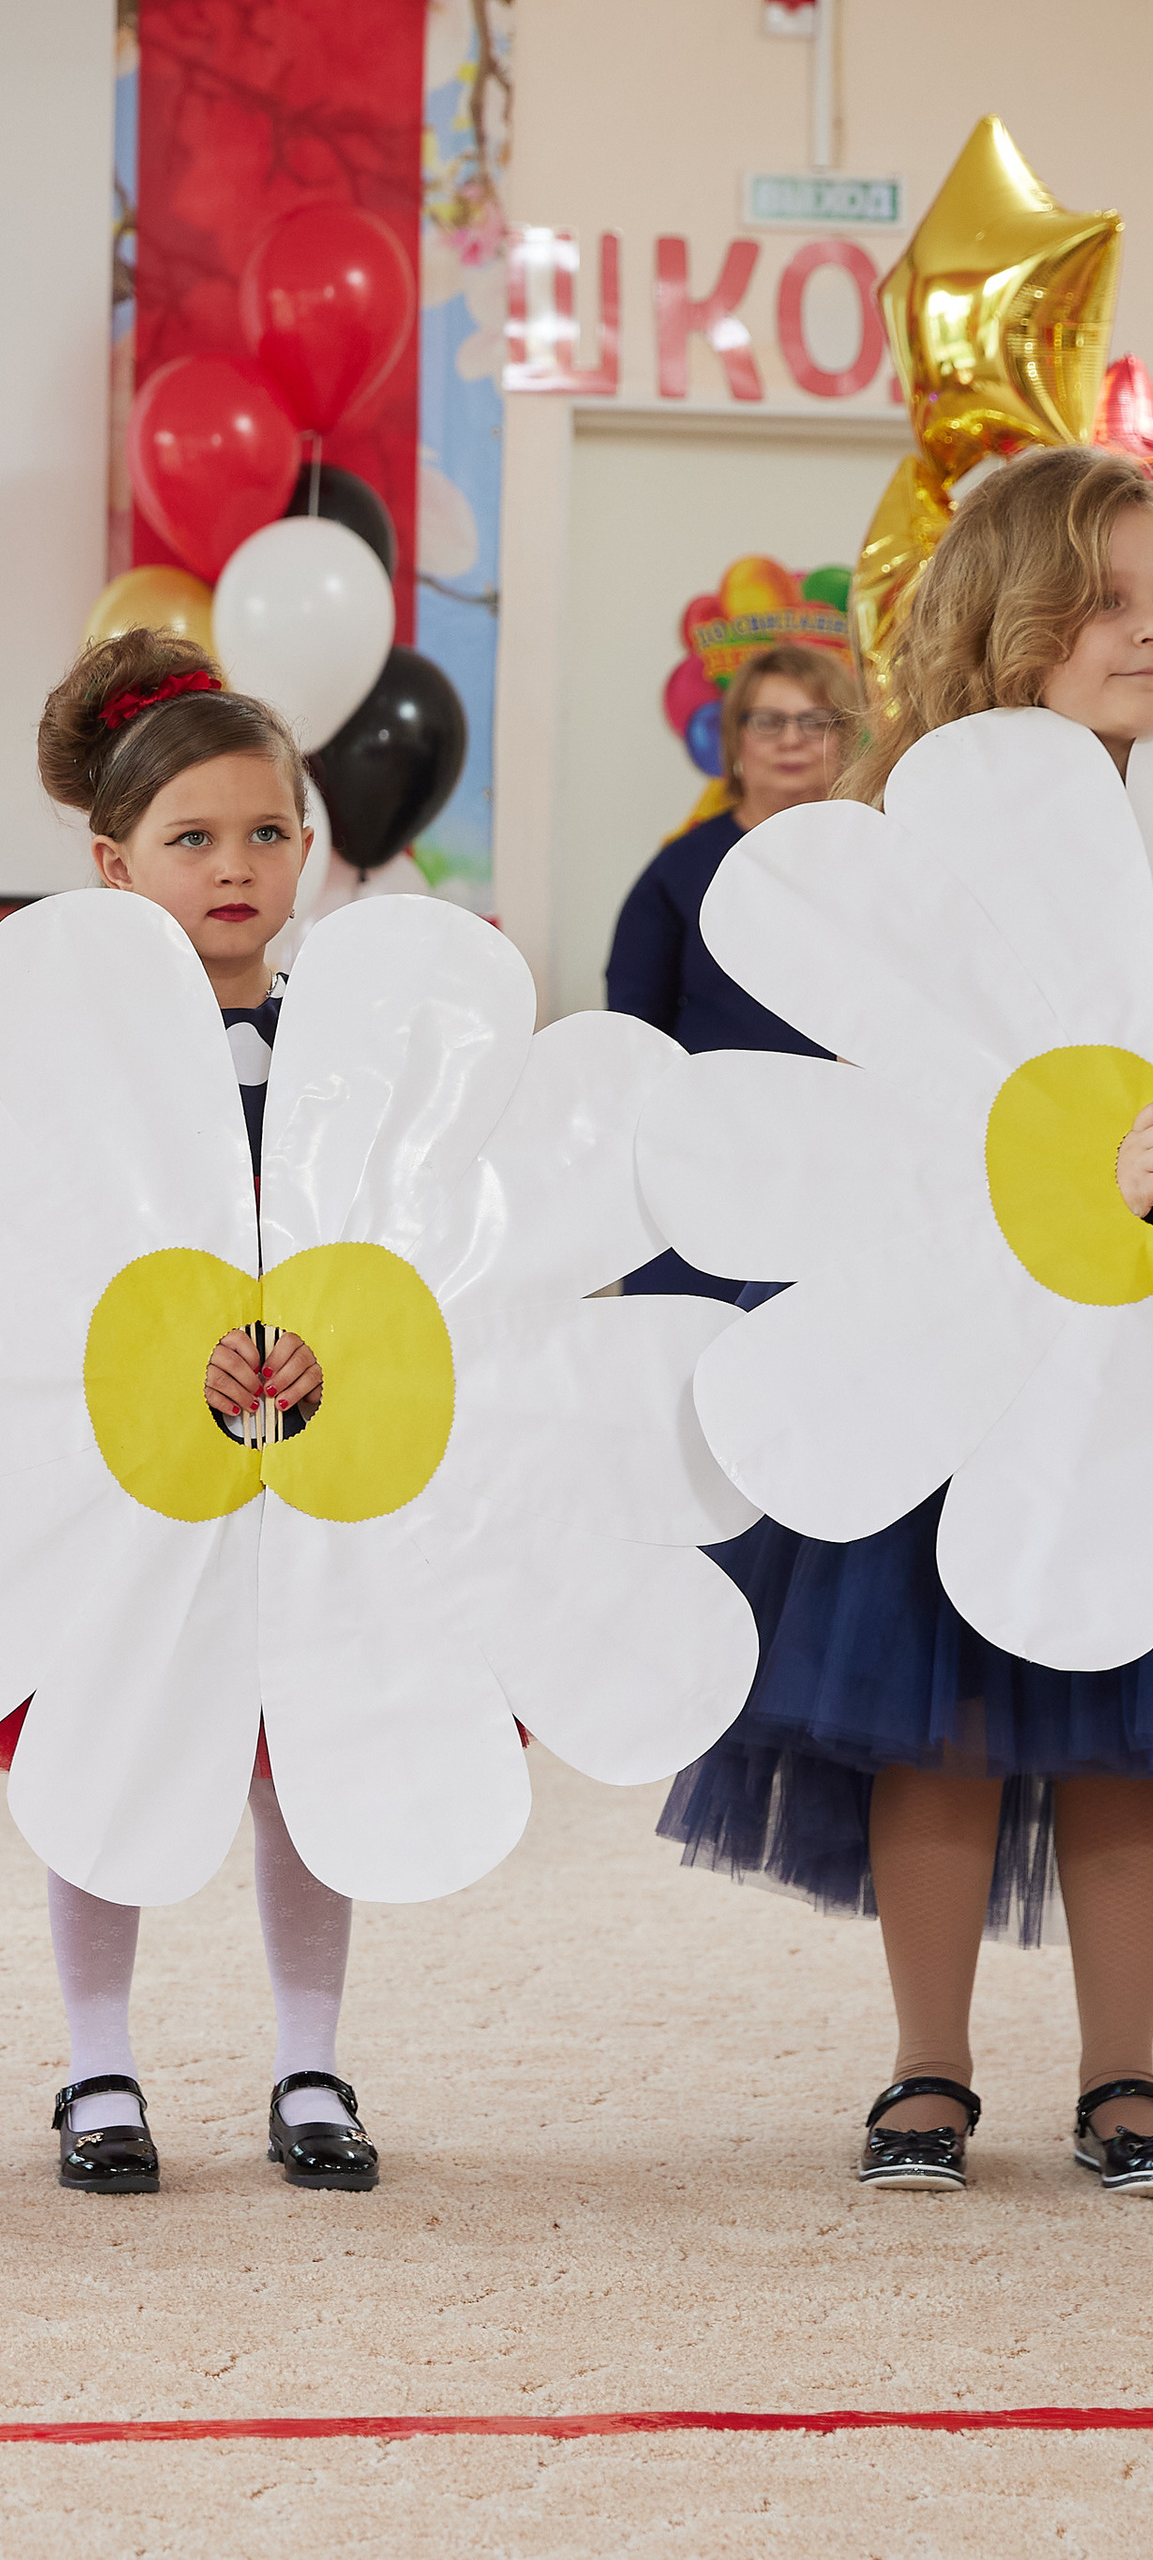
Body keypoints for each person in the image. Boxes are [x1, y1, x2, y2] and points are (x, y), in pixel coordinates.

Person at [659, 445, 1153, 2198]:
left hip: (1125, 1349)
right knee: (935, 1712)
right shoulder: (915, 851)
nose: (1143, 630)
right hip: (947, 1341)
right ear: (1012, 622)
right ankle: (926, 2064)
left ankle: (1130, 2069)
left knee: (1128, 1717)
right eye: (1105, 600)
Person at [0, 628, 376, 2199]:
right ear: (113, 865)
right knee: (113, 1745)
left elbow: (382, 1249)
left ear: (308, 849)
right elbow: (28, 1265)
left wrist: (329, 1347)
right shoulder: (73, 1064)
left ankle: (311, 2061)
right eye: (192, 838)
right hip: (125, 1480)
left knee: (301, 1757)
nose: (236, 866)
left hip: (307, 1470)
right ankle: (98, 2063)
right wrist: (155, 1357)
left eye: (268, 832)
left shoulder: (341, 1048)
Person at [605, 643, 859, 1298]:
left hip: (846, 1156)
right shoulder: (678, 872)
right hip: (706, 1161)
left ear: (845, 737)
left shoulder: (878, 861)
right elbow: (634, 1036)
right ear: (735, 741)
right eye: (768, 721)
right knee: (687, 1337)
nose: (791, 740)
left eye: (815, 720)